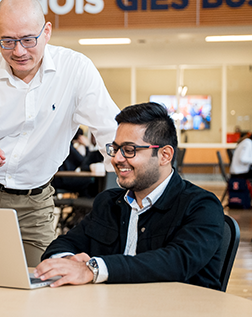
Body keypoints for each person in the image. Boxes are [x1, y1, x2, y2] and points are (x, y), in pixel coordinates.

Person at [0, 0, 119, 266]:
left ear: (46, 32)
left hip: (35, 202)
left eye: (28, 39)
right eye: (8, 41)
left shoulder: (75, 70)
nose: (19, 51)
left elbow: (109, 128)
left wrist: (126, 177)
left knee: (43, 280)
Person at [34, 102, 225, 289]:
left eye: (129, 150)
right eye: (116, 149)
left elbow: (176, 262)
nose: (116, 159)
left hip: (179, 315)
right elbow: (62, 244)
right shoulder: (109, 203)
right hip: (113, 312)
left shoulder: (201, 206)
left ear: (165, 155)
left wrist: (93, 269)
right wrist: (69, 262)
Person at [52, 128, 104, 198]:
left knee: (88, 183)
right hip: (62, 179)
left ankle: (83, 206)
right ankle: (85, 205)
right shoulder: (68, 146)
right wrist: (86, 146)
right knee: (89, 182)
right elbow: (82, 161)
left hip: (61, 178)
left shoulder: (65, 145)